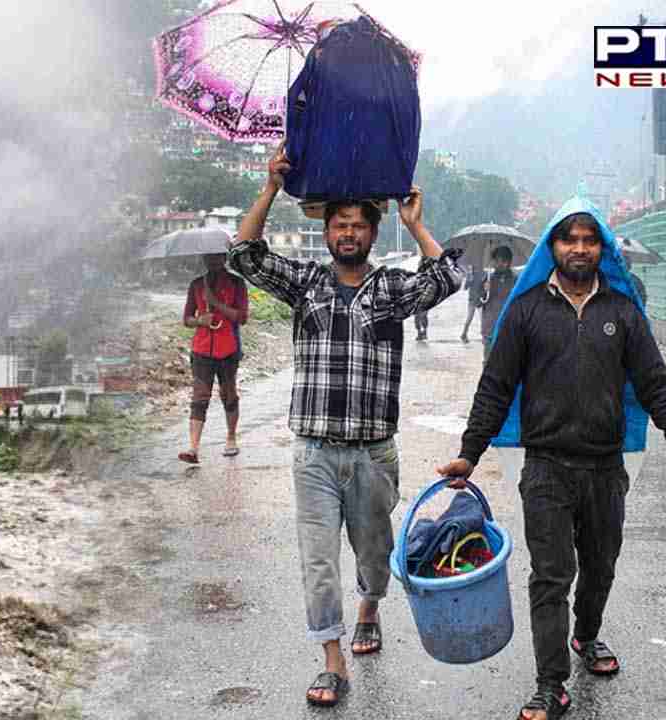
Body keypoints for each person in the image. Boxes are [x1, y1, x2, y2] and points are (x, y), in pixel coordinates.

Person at [437, 203, 666, 720]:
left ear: (602, 249)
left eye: (590, 240)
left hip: (605, 469)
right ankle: (551, 684)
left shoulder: (622, 312)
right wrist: (468, 454)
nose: (579, 248)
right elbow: (495, 388)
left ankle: (586, 637)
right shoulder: (526, 312)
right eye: (569, 239)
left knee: (600, 567)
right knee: (550, 575)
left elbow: (656, 386)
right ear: (553, 246)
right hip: (545, 466)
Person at [227, 142, 463, 707]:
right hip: (313, 453)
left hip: (372, 453)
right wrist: (269, 190)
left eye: (359, 225)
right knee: (317, 559)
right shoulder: (306, 284)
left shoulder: (390, 288)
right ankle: (331, 661)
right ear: (328, 233)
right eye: (340, 225)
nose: (349, 233)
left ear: (372, 234)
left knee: (373, 553)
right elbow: (244, 256)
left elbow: (449, 276)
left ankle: (370, 607)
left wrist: (416, 223)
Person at [179, 252, 249, 463]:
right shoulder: (196, 285)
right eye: (208, 258)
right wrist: (200, 320)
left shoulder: (237, 284)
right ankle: (193, 448)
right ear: (204, 260)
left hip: (228, 348)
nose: (213, 262)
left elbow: (242, 317)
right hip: (201, 350)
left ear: (224, 258)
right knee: (199, 397)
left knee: (228, 394)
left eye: (217, 257)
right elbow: (187, 319)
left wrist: (216, 303)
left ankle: (231, 438)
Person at [478, 245, 517, 361]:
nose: (500, 264)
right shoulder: (488, 279)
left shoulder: (516, 280)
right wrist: (484, 291)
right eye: (497, 260)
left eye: (503, 261)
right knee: (488, 361)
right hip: (490, 326)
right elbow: (478, 302)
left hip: (509, 327)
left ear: (509, 262)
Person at [460, 264, 486, 343]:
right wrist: (469, 280)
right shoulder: (470, 275)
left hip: (481, 300)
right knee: (469, 318)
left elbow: (486, 288)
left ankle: (484, 337)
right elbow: (465, 288)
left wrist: (485, 291)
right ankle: (464, 334)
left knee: (483, 320)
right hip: (472, 300)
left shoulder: (484, 274)